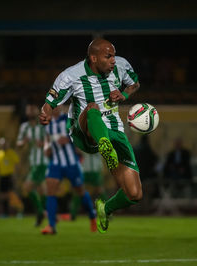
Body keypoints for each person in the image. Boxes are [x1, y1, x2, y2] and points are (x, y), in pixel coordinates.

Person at [39, 38, 141, 233]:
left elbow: (134, 84)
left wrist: (125, 95)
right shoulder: (71, 75)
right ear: (93, 58)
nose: (113, 60)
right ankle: (103, 143)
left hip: (114, 130)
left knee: (134, 194)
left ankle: (105, 208)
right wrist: (46, 113)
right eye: (108, 56)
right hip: (83, 131)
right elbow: (50, 102)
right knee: (92, 107)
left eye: (113, 55)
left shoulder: (121, 65)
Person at [41, 106, 96, 234]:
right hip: (56, 163)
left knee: (80, 191)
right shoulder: (47, 123)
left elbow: (81, 136)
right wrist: (46, 149)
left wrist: (69, 140)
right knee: (50, 191)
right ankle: (51, 225)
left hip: (71, 163)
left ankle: (92, 216)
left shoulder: (69, 120)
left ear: (61, 107)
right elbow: (47, 142)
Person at [17, 104, 48, 226]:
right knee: (41, 190)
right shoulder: (24, 127)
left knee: (27, 187)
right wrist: (23, 142)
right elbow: (18, 143)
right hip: (33, 162)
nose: (30, 112)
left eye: (32, 110)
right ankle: (46, 212)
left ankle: (41, 212)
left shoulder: (43, 125)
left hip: (42, 162)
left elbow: (51, 140)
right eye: (28, 110)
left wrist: (44, 144)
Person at [0, 137, 24, 217]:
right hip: (2, 176)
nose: (3, 146)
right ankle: (5, 212)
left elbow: (18, 163)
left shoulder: (11, 153)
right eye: (1, 144)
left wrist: (17, 174)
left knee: (12, 194)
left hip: (10, 176)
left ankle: (19, 211)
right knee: (3, 195)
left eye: (4, 144)